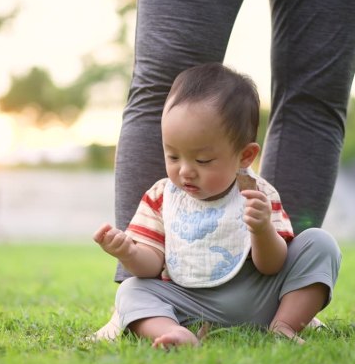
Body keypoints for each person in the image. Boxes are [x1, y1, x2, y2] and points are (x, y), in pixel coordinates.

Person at [93, 63, 341, 347]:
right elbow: (150, 266)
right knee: (131, 290)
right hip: (189, 302)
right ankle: (174, 332)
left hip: (260, 297)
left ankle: (284, 325)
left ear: (245, 156)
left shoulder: (257, 194)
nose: (185, 171)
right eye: (173, 156)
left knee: (320, 244)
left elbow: (273, 266)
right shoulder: (162, 196)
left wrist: (261, 230)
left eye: (203, 161)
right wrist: (128, 252)